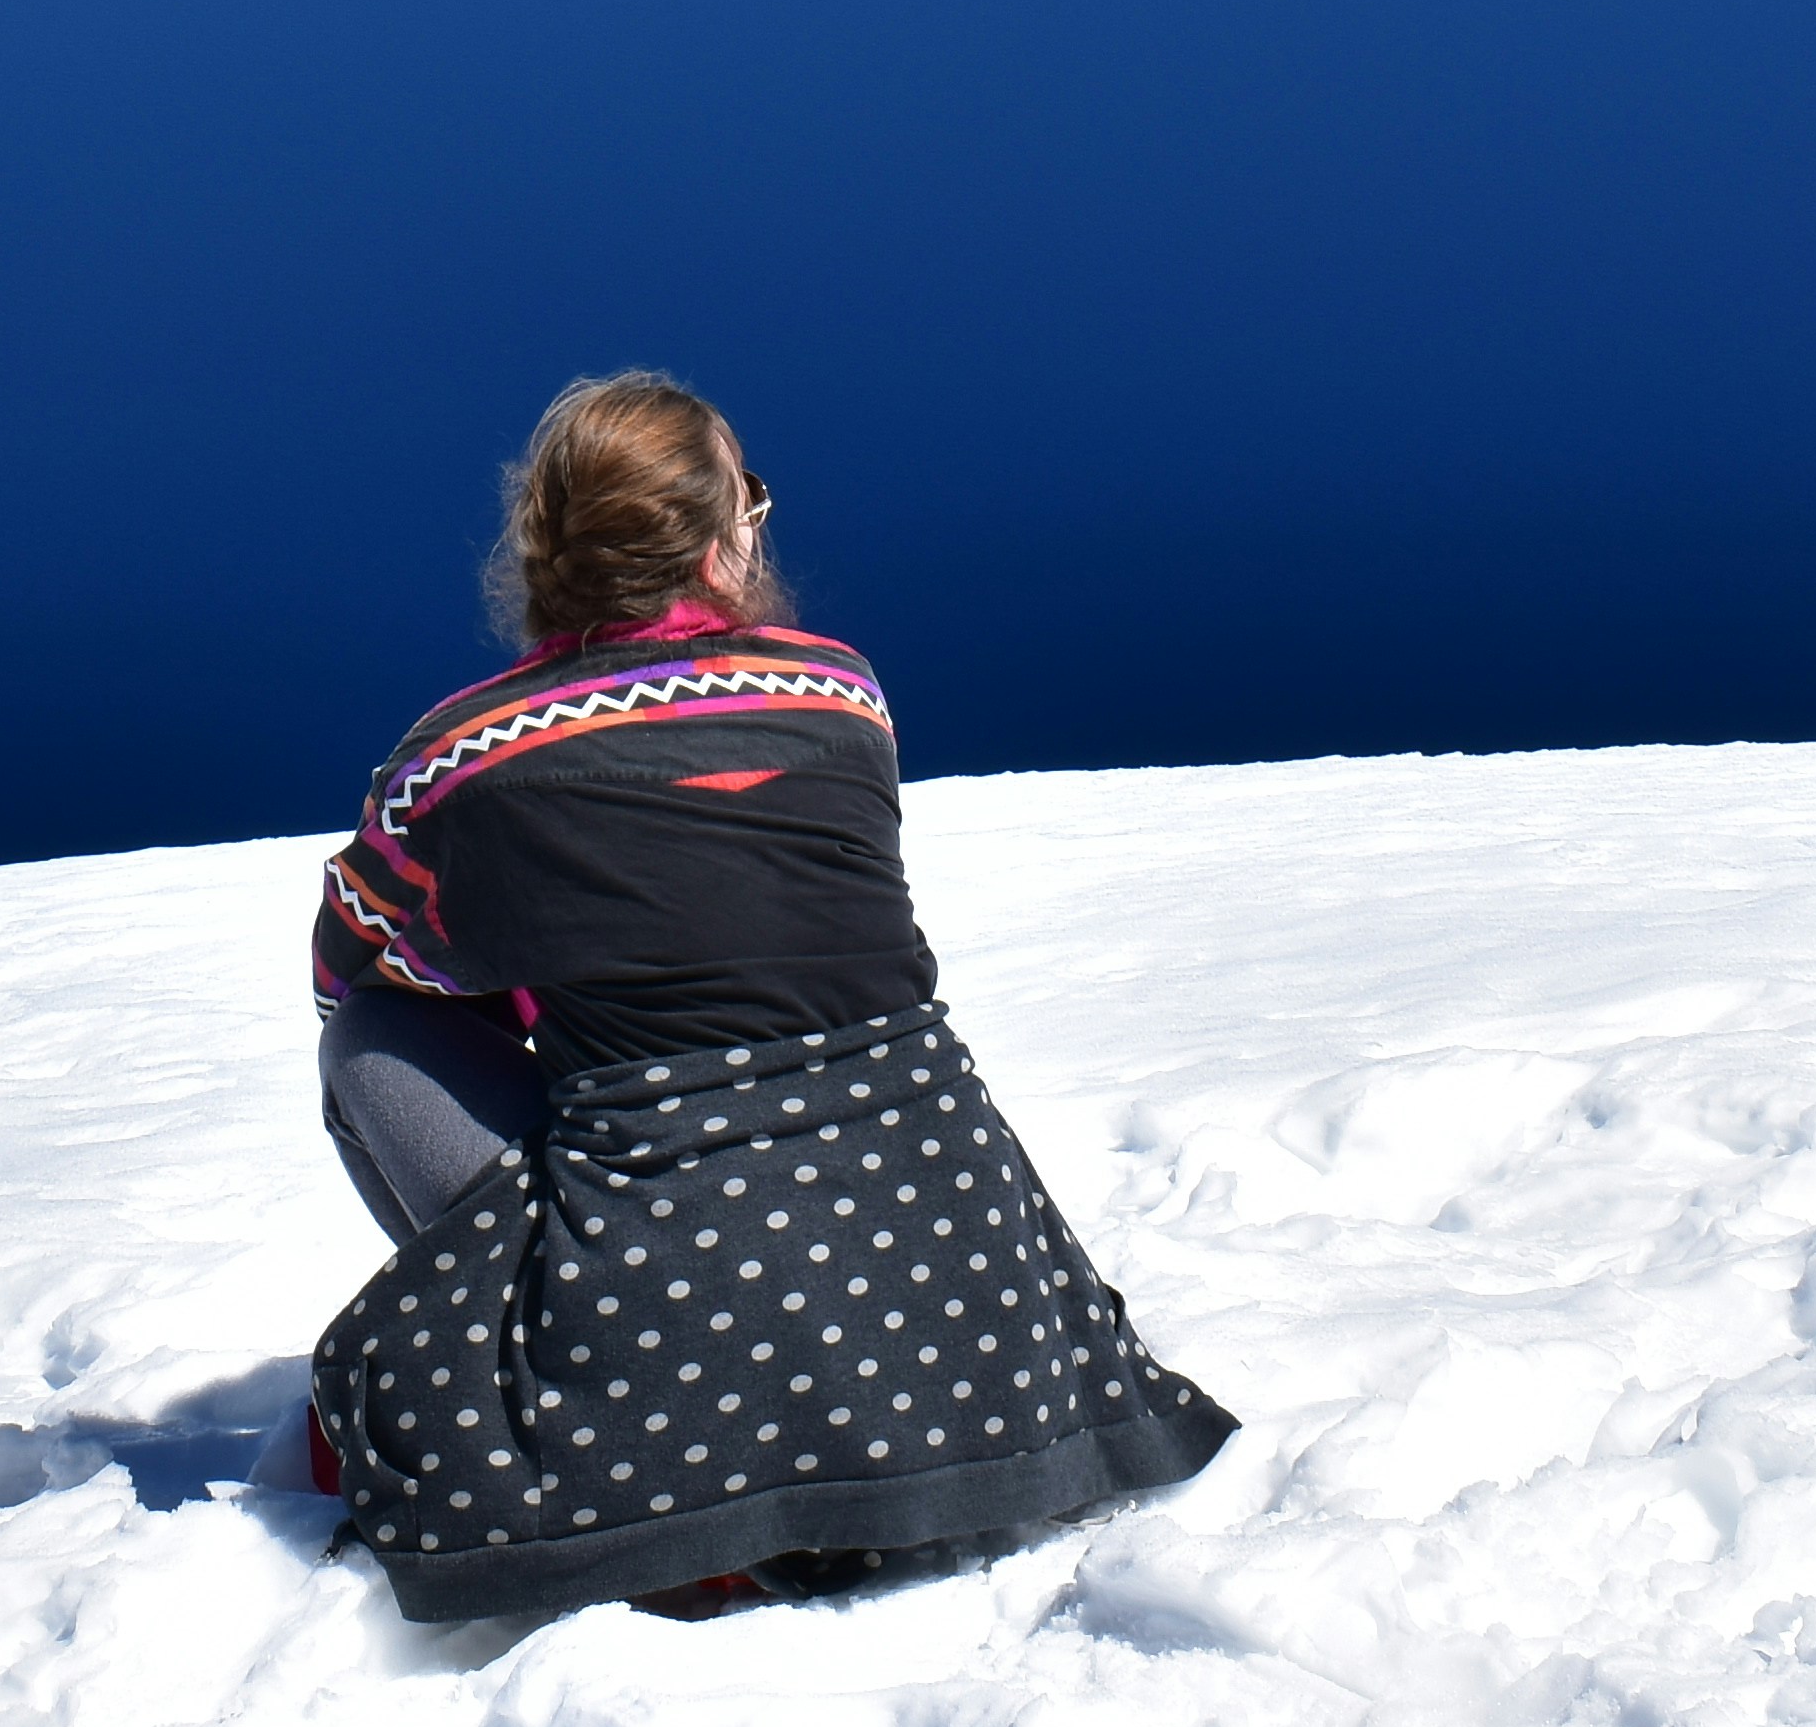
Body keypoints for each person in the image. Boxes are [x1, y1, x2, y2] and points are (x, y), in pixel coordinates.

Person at [301, 370, 1234, 1623]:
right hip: (975, 1302)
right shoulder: (842, 696)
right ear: (726, 532)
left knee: (372, 1041)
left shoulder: (459, 757)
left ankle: (603, 1382)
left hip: (681, 1269)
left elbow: (355, 962)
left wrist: (529, 969)